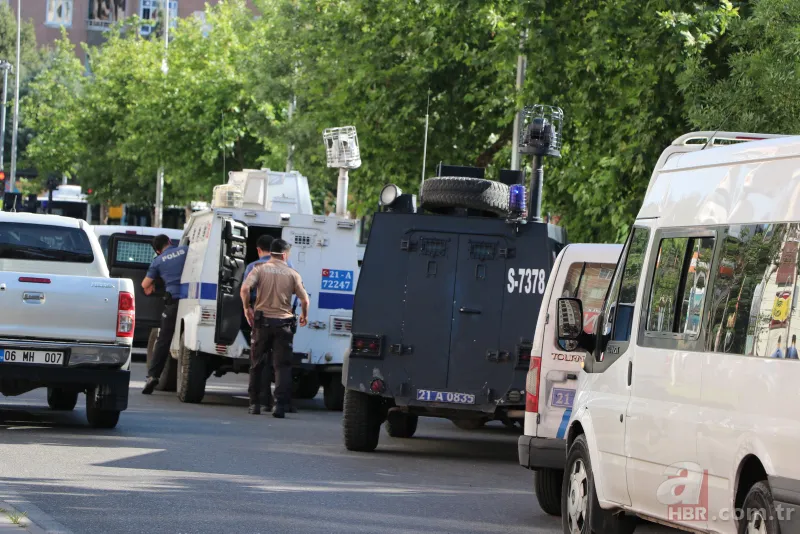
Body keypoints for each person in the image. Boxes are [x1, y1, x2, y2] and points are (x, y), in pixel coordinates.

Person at [240, 239, 309, 417]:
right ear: (285, 255)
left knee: (257, 364)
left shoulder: (259, 269)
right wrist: (304, 315)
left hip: (262, 323)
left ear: (270, 253)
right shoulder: (293, 274)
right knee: (282, 367)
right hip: (284, 324)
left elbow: (245, 289)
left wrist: (247, 308)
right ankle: (279, 406)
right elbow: (304, 299)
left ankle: (254, 404)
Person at [141, 235, 189, 394]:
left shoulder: (158, 261)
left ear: (157, 250)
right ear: (169, 241)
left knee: (163, 340)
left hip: (173, 303)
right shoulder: (186, 250)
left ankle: (153, 376)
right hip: (192, 301)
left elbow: (145, 284)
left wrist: (154, 283)